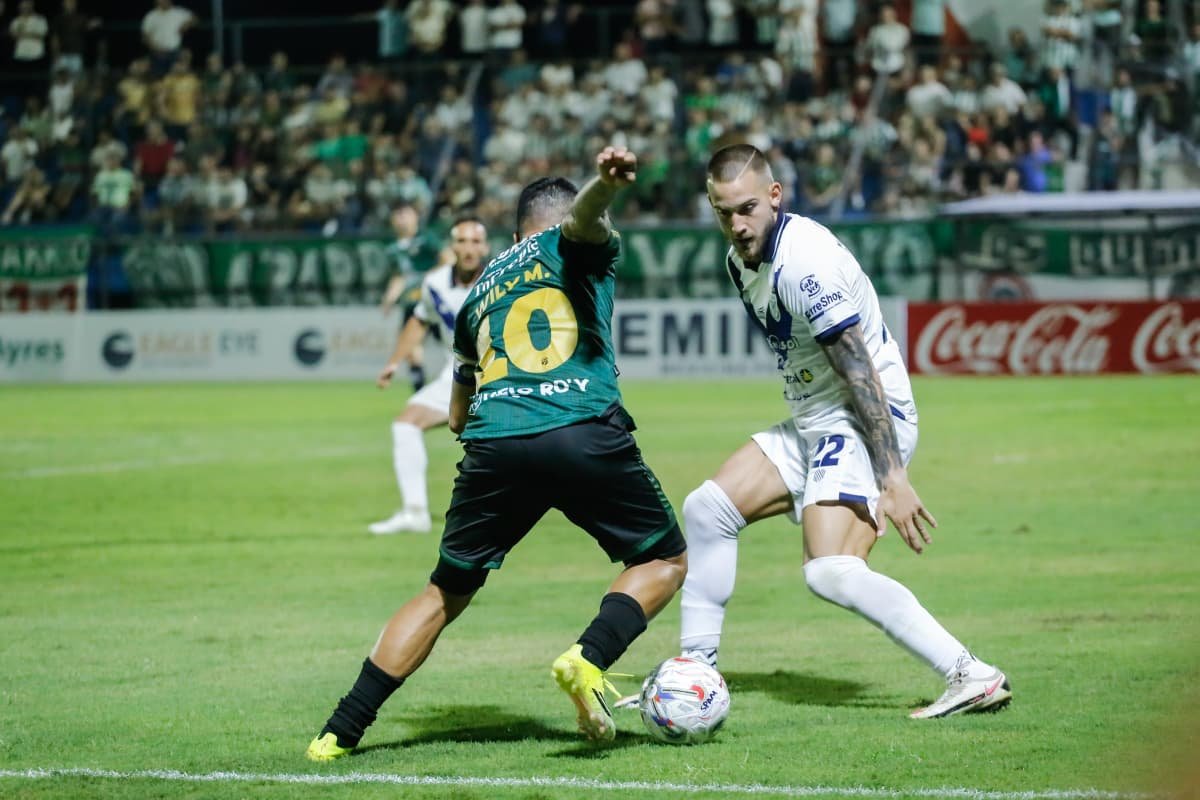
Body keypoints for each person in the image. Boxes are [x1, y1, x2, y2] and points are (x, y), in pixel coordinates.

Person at [306, 146, 687, 759]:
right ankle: (588, 657)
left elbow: (457, 415)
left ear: (512, 235)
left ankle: (337, 732)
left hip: (495, 444)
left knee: (442, 594)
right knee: (664, 559)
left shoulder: (479, 290)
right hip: (582, 427)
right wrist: (606, 186)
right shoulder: (572, 243)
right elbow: (585, 221)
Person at [673, 143, 1010, 720]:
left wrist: (892, 476)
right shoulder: (740, 260)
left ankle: (969, 672)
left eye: (747, 209)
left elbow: (858, 369)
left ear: (774, 196)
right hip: (818, 418)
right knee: (708, 510)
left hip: (865, 415)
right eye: (724, 212)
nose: (737, 224)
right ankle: (694, 678)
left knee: (829, 569)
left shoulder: (806, 264)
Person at [368, 217, 490, 535]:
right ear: (452, 247)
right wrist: (394, 362)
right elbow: (420, 320)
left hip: (502, 376)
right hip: (458, 376)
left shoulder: (500, 279)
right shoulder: (435, 283)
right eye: (462, 241)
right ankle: (415, 512)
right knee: (406, 424)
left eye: (475, 242)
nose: (469, 249)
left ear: (485, 247)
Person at [378, 203, 445, 390]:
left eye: (406, 214)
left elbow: (447, 258)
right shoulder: (393, 249)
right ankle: (420, 391)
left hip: (435, 302)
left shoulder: (426, 239)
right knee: (411, 349)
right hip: (412, 305)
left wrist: (431, 277)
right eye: (398, 215)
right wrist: (389, 299)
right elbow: (399, 277)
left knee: (453, 344)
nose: (402, 219)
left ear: (416, 217)